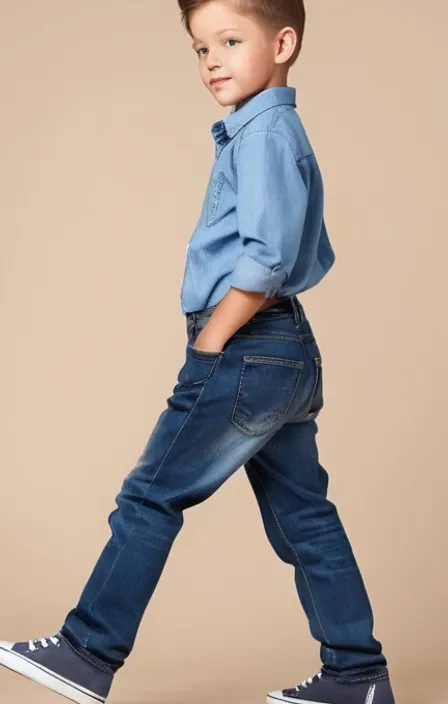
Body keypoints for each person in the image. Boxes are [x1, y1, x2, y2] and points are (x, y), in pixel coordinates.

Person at [0, 1, 396, 703]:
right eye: (199, 48)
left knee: (150, 497)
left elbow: (270, 255)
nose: (211, 60)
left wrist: (214, 335)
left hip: (249, 347)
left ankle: (86, 650)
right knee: (305, 517)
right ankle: (357, 676)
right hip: (283, 354)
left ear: (283, 42)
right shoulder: (266, 132)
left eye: (230, 41)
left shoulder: (267, 133)